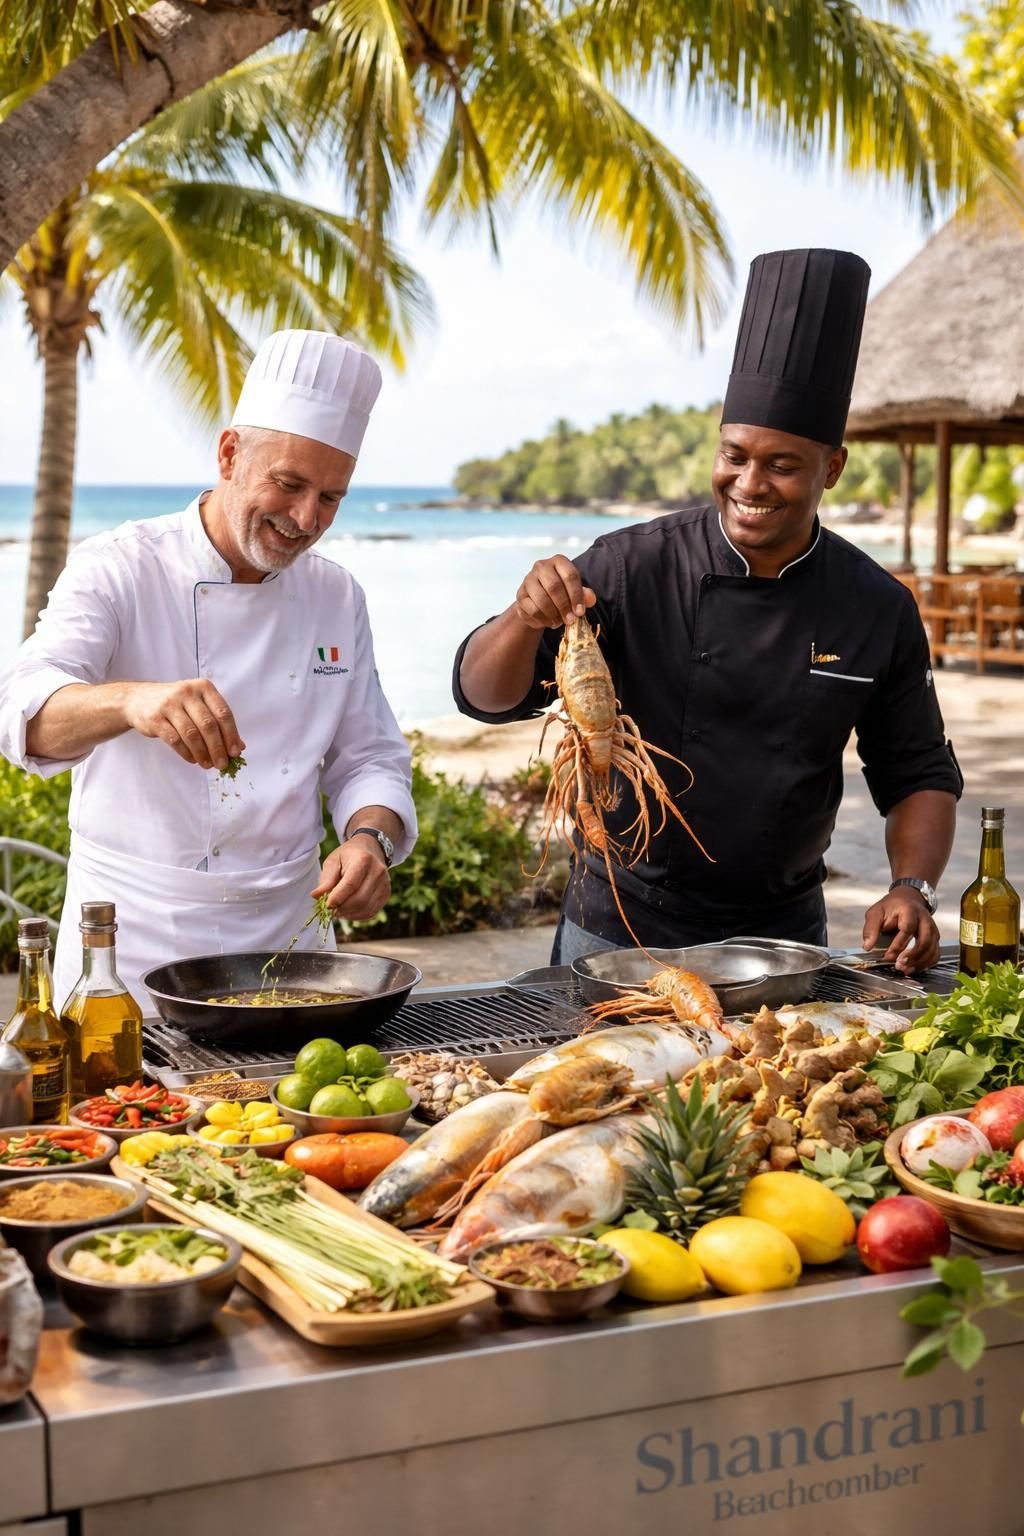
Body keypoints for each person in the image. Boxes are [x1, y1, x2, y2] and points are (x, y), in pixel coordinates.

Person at [453, 249, 962, 974]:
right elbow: (483, 697)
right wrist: (521, 617)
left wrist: (912, 887)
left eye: (782, 464)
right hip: (618, 923)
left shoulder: (876, 606)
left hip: (782, 934)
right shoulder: (631, 565)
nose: (750, 482)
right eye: (735, 455)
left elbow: (917, 771)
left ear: (833, 469)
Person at [0, 330, 416, 1009]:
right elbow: (24, 714)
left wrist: (369, 837)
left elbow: (368, 755)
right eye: (288, 484)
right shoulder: (121, 566)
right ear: (229, 454)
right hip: (132, 945)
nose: (306, 518)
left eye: (331, 497)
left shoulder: (337, 596)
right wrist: (131, 702)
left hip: (291, 944)